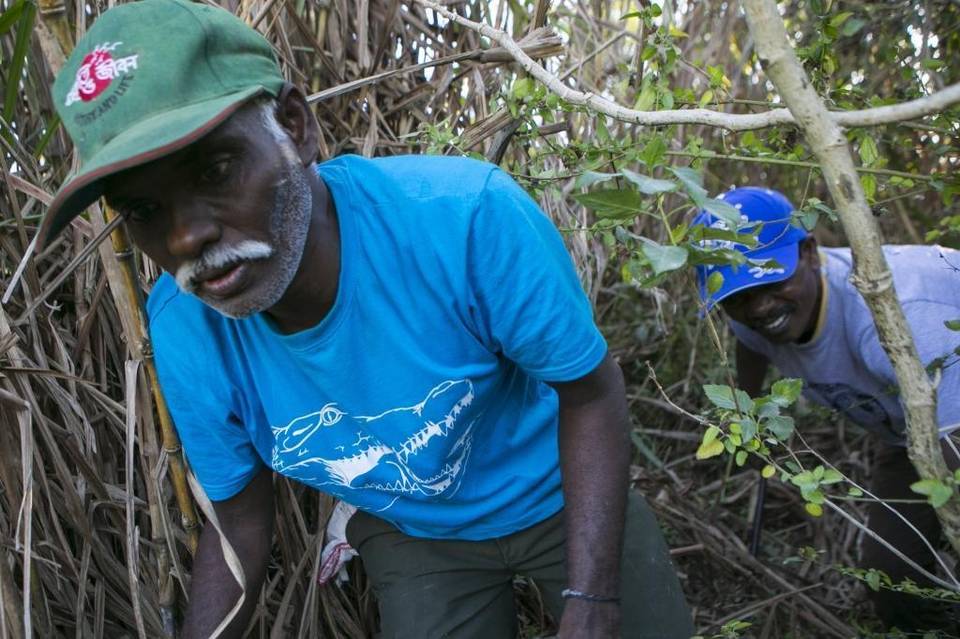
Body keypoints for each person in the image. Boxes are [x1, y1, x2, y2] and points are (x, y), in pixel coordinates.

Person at [38, 1, 694, 637]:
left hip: (562, 493)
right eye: (146, 211)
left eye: (217, 168)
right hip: (416, 530)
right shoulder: (186, 327)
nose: (186, 237)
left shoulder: (461, 219)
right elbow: (239, 522)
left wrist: (594, 601)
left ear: (295, 127)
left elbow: (591, 390)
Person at [693, 186, 960, 634]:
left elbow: (955, 443)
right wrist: (748, 415)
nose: (759, 307)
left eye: (772, 281)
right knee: (893, 576)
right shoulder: (753, 319)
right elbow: (749, 341)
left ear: (810, 252)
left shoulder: (893, 322)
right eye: (738, 295)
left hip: (951, 425)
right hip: (911, 432)